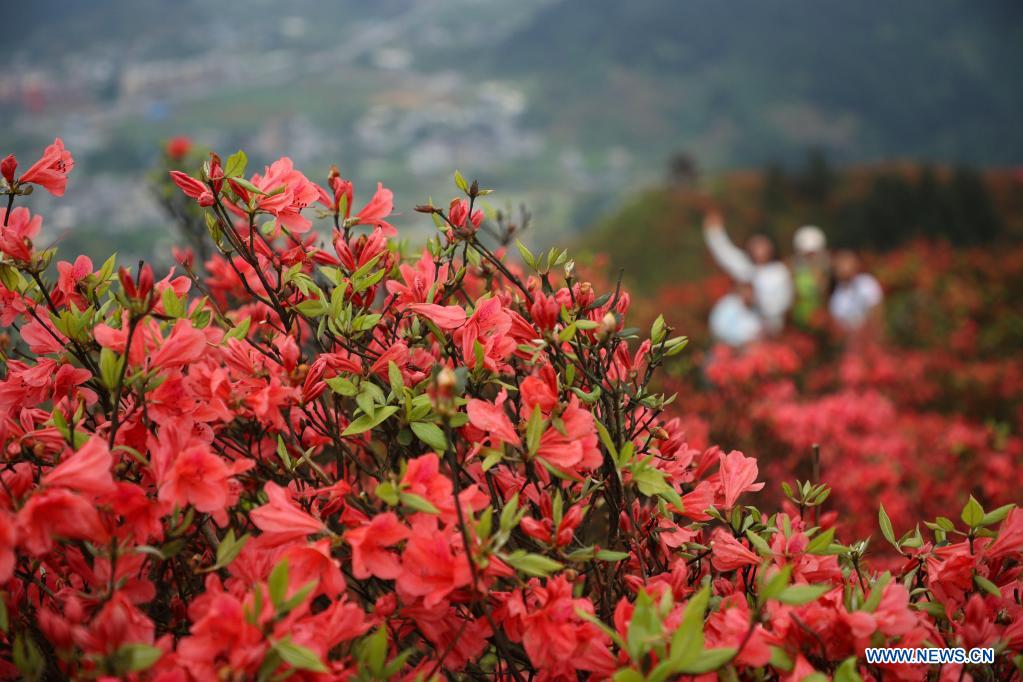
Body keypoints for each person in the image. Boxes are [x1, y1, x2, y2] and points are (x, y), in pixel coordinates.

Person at [703, 210, 792, 334]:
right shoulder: (746, 268)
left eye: (762, 246)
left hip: (768, 328)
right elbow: (725, 253)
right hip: (744, 328)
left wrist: (756, 300)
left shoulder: (779, 272)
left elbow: (782, 303)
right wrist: (714, 231)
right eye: (755, 246)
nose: (759, 250)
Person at [829, 249, 884, 333]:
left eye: (846, 264)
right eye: (840, 265)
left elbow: (877, 310)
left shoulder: (867, 283)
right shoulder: (836, 296)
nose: (844, 269)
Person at [791, 225, 830, 327]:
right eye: (807, 254)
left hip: (819, 319)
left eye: (812, 253)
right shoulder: (793, 270)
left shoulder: (826, 271)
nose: (810, 257)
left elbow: (824, 294)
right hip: (799, 319)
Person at [709, 281, 763, 347]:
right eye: (748, 292)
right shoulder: (729, 305)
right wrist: (741, 342)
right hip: (730, 348)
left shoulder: (755, 308)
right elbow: (719, 330)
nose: (751, 295)